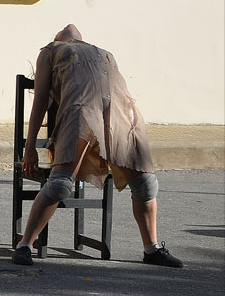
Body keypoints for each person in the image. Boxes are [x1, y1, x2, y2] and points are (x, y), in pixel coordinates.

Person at [14, 24, 182, 268]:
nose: (69, 27)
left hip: (121, 117)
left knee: (146, 185)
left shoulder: (105, 53)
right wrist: (29, 147)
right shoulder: (50, 51)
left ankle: (152, 248)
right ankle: (25, 245)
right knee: (60, 185)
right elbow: (40, 99)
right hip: (80, 116)